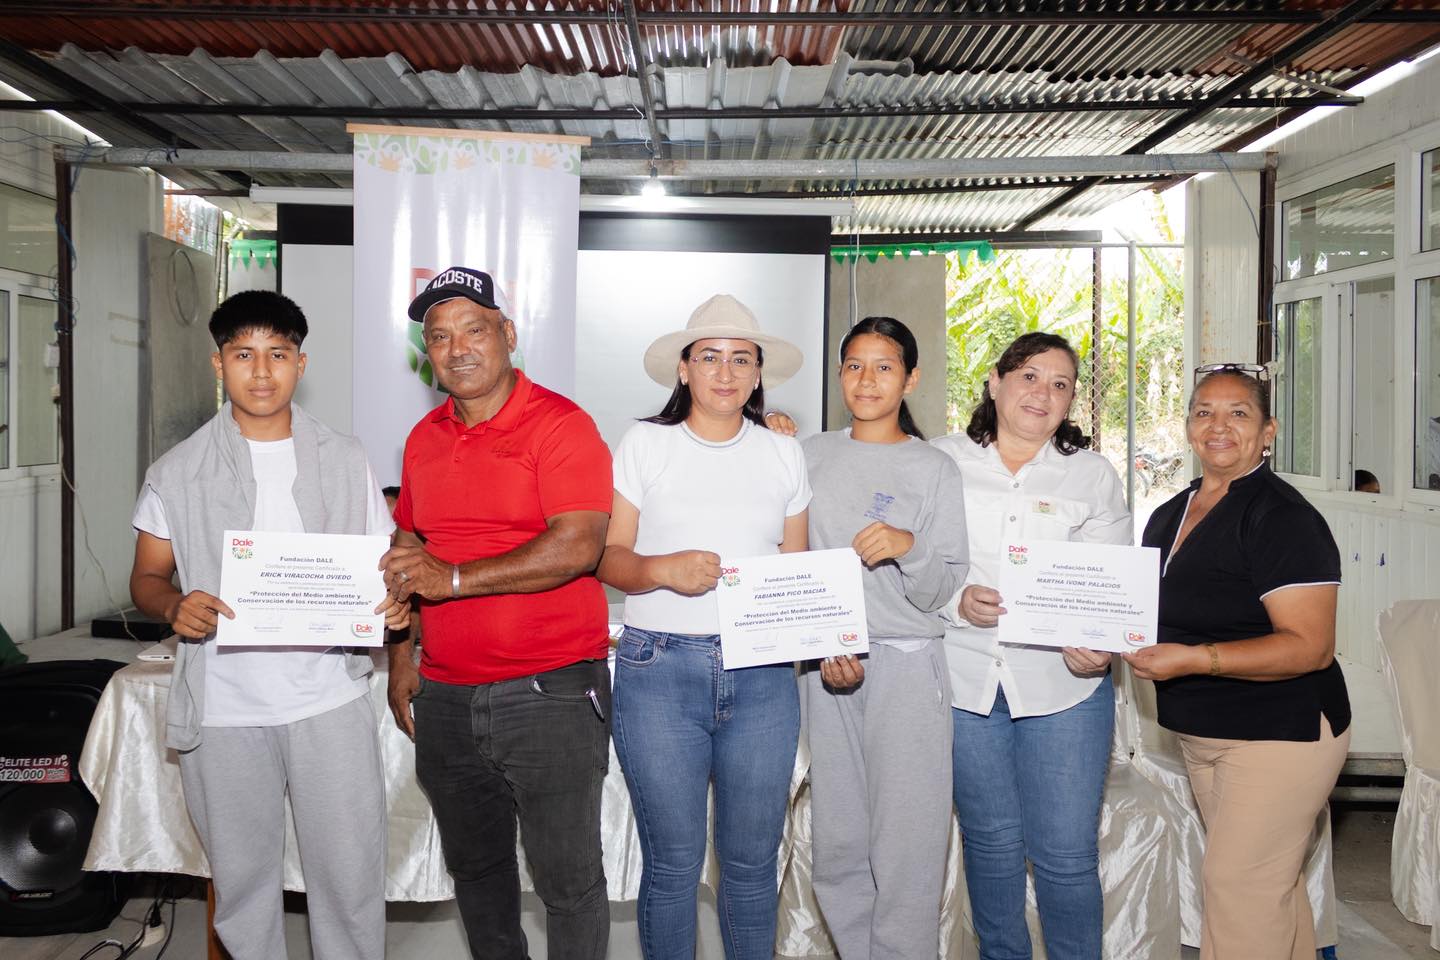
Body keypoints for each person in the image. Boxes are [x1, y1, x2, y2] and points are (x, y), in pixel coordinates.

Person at [128, 290, 408, 960]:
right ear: (218, 363)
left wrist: (394, 603)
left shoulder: (346, 457)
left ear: (300, 365)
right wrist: (172, 606)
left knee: (350, 876)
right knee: (243, 882)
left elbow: (380, 565)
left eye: (278, 355)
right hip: (225, 707)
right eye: (243, 354)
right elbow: (146, 578)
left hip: (328, 698)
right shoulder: (177, 471)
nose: (261, 371)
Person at [381, 267, 613, 960]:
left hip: (550, 691)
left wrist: (452, 580)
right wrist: (401, 656)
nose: (457, 349)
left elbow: (578, 546)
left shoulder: (562, 425)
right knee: (477, 873)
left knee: (567, 882)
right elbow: (407, 551)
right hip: (447, 695)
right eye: (439, 337)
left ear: (507, 334)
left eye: (473, 330)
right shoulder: (423, 438)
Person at [597, 294, 811, 959]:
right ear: (684, 369)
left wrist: (822, 632)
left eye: (741, 359)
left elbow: (797, 571)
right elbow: (609, 560)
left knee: (751, 865)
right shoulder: (644, 443)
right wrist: (661, 569)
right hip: (658, 672)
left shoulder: (784, 452)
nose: (725, 371)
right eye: (710, 357)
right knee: (673, 864)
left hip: (763, 675)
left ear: (758, 373)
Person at [1124, 362, 1351, 960]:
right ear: (1188, 427)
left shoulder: (1283, 517)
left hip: (1281, 732)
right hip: (1204, 733)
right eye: (1204, 412)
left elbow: (1309, 645)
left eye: (1239, 413)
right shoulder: (1170, 513)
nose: (1218, 426)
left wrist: (1196, 659)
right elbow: (1147, 615)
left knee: (1237, 887)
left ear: (1268, 431)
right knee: (1267, 887)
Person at [930, 332, 1129, 960]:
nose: (1043, 393)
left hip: (1063, 688)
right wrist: (955, 601)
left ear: (1071, 401)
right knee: (990, 846)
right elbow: (916, 565)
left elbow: (1108, 582)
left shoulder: (1091, 475)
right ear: (995, 382)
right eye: (1029, 376)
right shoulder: (939, 461)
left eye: (1060, 384)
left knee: (1065, 856)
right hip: (965, 681)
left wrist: (1095, 643)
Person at [801, 316, 970, 959]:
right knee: (838, 842)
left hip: (905, 666)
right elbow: (785, 562)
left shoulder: (934, 468)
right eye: (854, 366)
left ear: (911, 379)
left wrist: (909, 547)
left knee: (907, 844)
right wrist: (822, 644)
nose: (867, 380)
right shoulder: (808, 454)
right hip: (826, 667)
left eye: (884, 367)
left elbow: (941, 587)